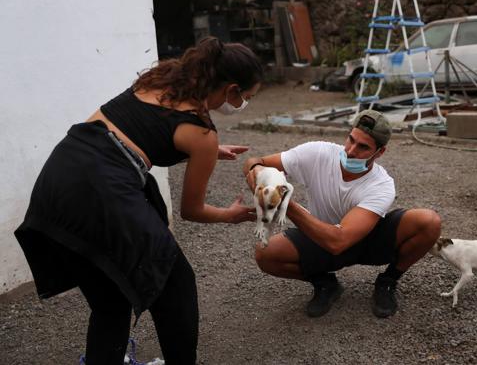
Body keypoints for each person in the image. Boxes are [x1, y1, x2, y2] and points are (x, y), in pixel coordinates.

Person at [14, 37, 263, 364]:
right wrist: (229, 214)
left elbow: (142, 132)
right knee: (176, 283)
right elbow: (191, 211)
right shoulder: (202, 132)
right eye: (245, 97)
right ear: (231, 90)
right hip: (103, 191)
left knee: (110, 301)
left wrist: (202, 151)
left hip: (59, 177)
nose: (243, 103)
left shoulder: (161, 79)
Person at [243, 110, 441, 318]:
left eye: (363, 147)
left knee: (429, 222)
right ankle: (325, 283)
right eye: (351, 139)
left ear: (380, 152)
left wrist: (285, 203)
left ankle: (388, 282)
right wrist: (257, 172)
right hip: (320, 237)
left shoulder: (381, 185)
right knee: (265, 254)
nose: (351, 151)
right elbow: (255, 162)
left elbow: (339, 241)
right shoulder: (317, 153)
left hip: (365, 241)